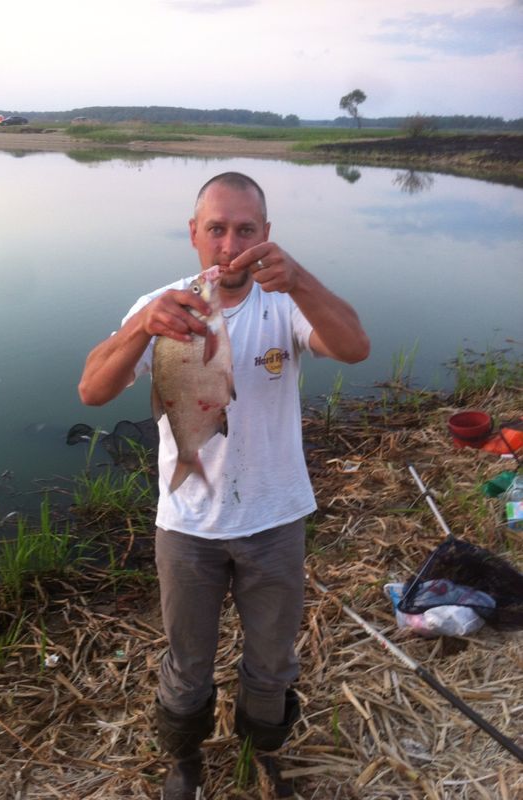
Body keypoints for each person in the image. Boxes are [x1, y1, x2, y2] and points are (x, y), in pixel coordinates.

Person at [78, 172, 370, 799]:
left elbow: (355, 348)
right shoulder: (161, 307)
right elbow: (92, 391)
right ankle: (184, 758)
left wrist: (302, 280)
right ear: (194, 233)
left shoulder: (285, 301)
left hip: (275, 519)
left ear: (266, 234)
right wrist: (141, 328)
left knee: (273, 661)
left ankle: (262, 752)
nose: (229, 245)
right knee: (187, 663)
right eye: (216, 229)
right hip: (187, 528)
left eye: (245, 230)